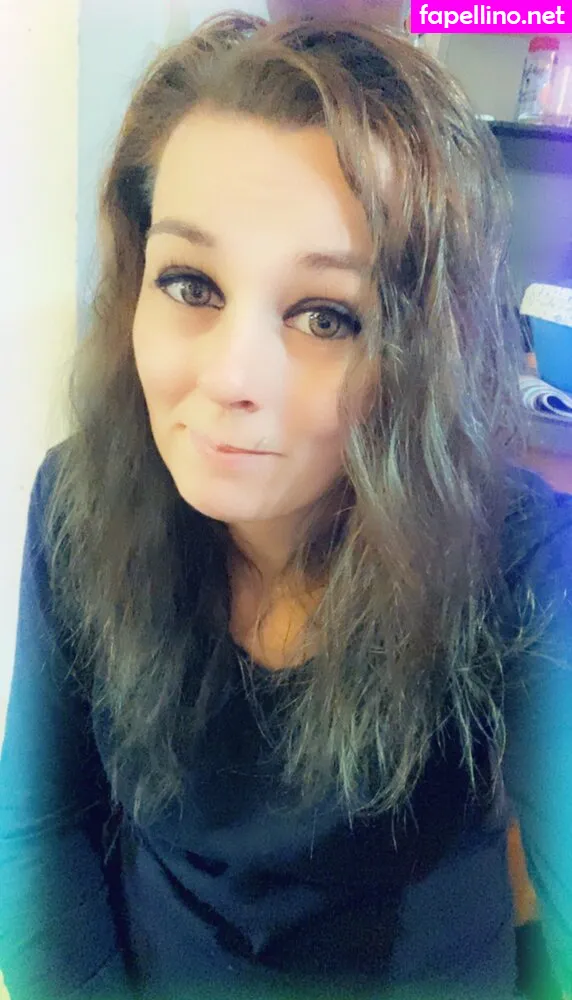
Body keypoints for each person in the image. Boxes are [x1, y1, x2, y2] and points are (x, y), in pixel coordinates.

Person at [0, 11, 570, 1000]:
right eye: (190, 284)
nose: (231, 377)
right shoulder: (78, 502)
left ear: (416, 353)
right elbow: (37, 832)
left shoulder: (515, 559)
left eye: (324, 315)